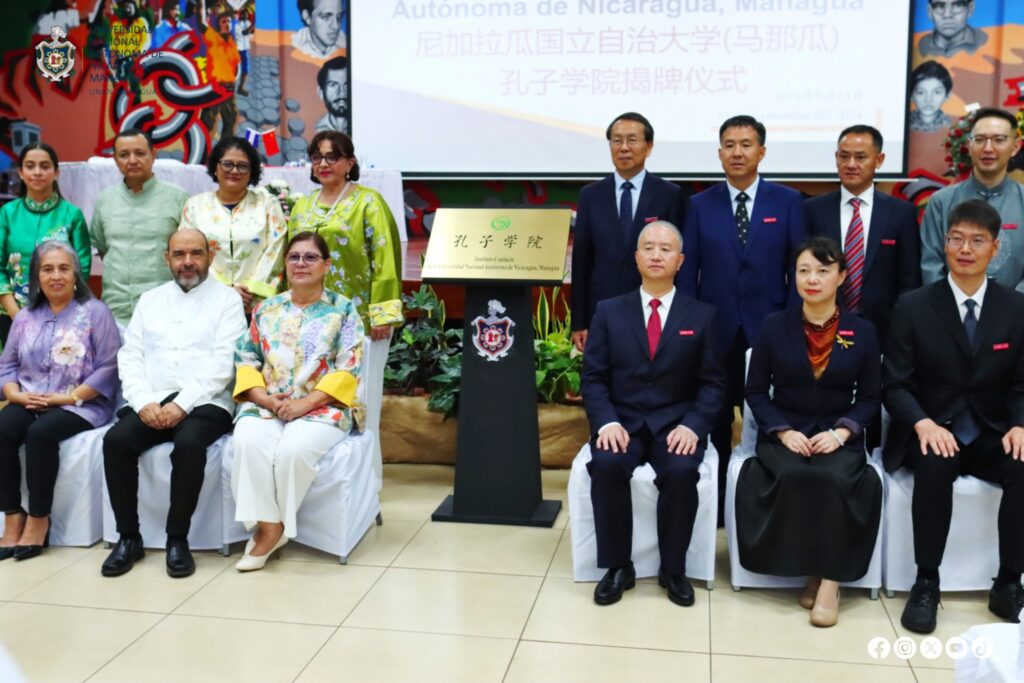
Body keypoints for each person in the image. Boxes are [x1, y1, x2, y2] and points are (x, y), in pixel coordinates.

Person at [884, 198, 1024, 634]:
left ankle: (1009, 582)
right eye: (956, 238)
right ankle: (926, 582)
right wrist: (922, 422)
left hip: (990, 430)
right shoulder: (912, 306)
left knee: (1023, 463)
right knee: (933, 464)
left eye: (977, 241)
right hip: (933, 427)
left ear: (995, 248)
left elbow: (1021, 384)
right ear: (944, 244)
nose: (965, 248)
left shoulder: (1016, 308)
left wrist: (1020, 424)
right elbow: (895, 385)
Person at [736, 237, 882, 628]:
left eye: (822, 270)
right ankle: (811, 572)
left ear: (842, 276)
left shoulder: (862, 332)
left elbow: (870, 398)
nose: (812, 279)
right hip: (787, 434)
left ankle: (830, 582)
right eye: (804, 271)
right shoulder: (774, 327)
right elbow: (755, 391)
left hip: (838, 436)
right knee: (795, 473)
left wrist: (842, 433)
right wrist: (783, 432)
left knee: (834, 478)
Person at [582, 221, 725, 607]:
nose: (656, 255)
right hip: (622, 422)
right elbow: (593, 377)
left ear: (680, 260)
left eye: (666, 249)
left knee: (680, 471)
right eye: (648, 248)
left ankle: (673, 569)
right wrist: (607, 421)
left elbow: (713, 383)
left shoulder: (703, 316)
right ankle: (618, 567)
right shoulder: (609, 311)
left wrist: (694, 426)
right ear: (636, 258)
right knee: (606, 464)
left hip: (676, 424)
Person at [680, 114, 807, 521]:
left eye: (746, 144)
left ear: (761, 152)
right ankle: (718, 506)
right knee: (715, 417)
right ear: (719, 153)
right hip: (714, 333)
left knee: (769, 418)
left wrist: (791, 326)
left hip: (770, 332)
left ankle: (761, 501)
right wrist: (690, 329)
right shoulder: (699, 205)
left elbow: (799, 270)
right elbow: (688, 273)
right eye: (729, 145)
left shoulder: (787, 201)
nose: (737, 152)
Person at [101, 228, 246, 579]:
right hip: (153, 397)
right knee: (116, 441)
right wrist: (143, 402)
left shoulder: (227, 301)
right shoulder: (150, 300)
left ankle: (177, 539)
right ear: (167, 258)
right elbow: (131, 356)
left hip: (207, 401)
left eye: (196, 253)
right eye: (179, 255)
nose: (187, 262)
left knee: (190, 444)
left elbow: (224, 363)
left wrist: (182, 404)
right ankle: (129, 537)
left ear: (210, 256)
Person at [230, 231, 363, 571]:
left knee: (293, 451)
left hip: (323, 407)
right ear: (286, 265)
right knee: (246, 442)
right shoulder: (266, 309)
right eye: (294, 257)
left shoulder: (343, 310)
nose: (301, 264)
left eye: (310, 257)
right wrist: (266, 400)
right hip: (268, 403)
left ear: (327, 265)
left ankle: (273, 531)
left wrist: (305, 404)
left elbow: (349, 367)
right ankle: (270, 526)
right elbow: (245, 359)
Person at [288, 131, 401, 479]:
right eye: (317, 157)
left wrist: (382, 313)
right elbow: (289, 260)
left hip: (360, 322)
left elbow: (385, 258)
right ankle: (324, 479)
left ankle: (366, 481)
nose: (323, 163)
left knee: (361, 400)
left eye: (332, 157)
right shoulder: (302, 205)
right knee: (314, 396)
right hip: (310, 321)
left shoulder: (368, 202)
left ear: (350, 163)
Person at [0, 241, 120, 562]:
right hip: (29, 398)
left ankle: (39, 518)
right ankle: (12, 514)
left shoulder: (95, 312)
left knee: (40, 434)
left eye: (64, 268)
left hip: (79, 402)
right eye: (47, 269)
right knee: (2, 428)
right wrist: (13, 394)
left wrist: (69, 396)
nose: (56, 276)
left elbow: (110, 365)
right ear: (36, 276)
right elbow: (6, 365)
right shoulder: (25, 317)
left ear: (76, 274)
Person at [570, 112, 685, 353]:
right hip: (601, 308)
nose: (624, 147)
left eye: (632, 140)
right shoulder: (591, 195)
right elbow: (582, 261)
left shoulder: (669, 194)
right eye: (617, 141)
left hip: (654, 306)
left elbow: (678, 261)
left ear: (649, 146)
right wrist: (579, 321)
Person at [805, 125, 921, 344]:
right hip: (821, 328)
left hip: (884, 331)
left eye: (860, 157)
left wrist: (901, 329)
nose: (851, 164)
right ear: (836, 158)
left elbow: (909, 280)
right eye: (844, 156)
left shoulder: (901, 213)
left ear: (879, 160)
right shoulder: (813, 210)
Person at [90, 129, 188, 325]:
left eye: (140, 153)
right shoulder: (105, 199)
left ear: (153, 154)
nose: (132, 160)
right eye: (124, 155)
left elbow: (187, 253)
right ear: (115, 159)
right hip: (116, 309)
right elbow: (103, 248)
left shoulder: (177, 198)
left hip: (164, 311)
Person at [178, 136, 286, 315]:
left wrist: (253, 289)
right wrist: (223, 290)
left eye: (242, 166)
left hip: (258, 304)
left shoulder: (267, 204)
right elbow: (186, 251)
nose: (234, 171)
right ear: (215, 167)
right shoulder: (195, 206)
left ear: (252, 171)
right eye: (227, 164)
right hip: (208, 302)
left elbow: (277, 248)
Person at [921, 107, 1024, 290]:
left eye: (999, 140)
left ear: (1015, 147)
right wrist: (952, 304)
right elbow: (931, 265)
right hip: (950, 306)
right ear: (969, 146)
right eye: (980, 139)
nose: (988, 148)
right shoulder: (941, 202)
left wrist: (1013, 304)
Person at [0, 142, 91, 344]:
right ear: (21, 172)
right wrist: (16, 314)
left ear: (56, 172)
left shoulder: (72, 214)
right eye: (30, 166)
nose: (37, 172)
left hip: (61, 314)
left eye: (45, 166)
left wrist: (60, 310)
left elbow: (82, 268)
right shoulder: (7, 214)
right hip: (10, 313)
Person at [199, 10, 240, 140]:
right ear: (219, 24)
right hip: (214, 87)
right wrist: (201, 3)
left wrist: (233, 80)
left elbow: (236, 64)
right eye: (223, 21)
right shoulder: (213, 37)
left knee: (231, 118)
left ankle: (224, 147)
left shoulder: (232, 43)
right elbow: (201, 22)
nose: (227, 23)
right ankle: (202, 147)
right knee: (208, 121)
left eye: (229, 21)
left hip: (229, 88)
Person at [920, 0, 988, 58]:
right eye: (939, 6)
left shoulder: (986, 41)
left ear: (970, 8)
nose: (947, 15)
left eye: (957, 5)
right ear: (930, 11)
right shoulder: (920, 45)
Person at [909, 61, 954, 133]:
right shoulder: (903, 121)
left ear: (947, 95)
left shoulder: (952, 126)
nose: (928, 100)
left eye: (937, 92)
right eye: (920, 92)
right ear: (911, 95)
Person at [315, 56, 349, 134]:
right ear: (320, 92)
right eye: (333, 85)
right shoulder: (316, 130)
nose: (342, 93)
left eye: (347, 85)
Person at [234, 4, 254, 96]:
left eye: (247, 14)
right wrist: (254, 24)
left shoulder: (248, 23)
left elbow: (251, 31)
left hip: (245, 50)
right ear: (241, 15)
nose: (246, 15)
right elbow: (245, 32)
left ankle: (240, 88)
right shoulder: (237, 24)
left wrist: (253, 25)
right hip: (238, 50)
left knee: (245, 70)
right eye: (244, 14)